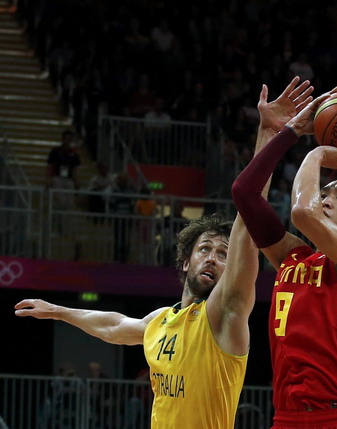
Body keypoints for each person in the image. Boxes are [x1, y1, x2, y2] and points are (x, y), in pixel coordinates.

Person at [14, 77, 314, 429]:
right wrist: (59, 311)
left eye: (222, 254)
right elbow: (113, 325)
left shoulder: (224, 315)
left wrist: (269, 133)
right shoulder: (160, 321)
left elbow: (247, 223)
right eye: (206, 249)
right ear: (186, 261)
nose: (214, 258)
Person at [232, 89, 337, 428]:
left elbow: (302, 211)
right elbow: (245, 192)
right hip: (286, 417)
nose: (326, 197)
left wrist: (314, 154)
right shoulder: (292, 256)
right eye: (325, 192)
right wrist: (290, 130)